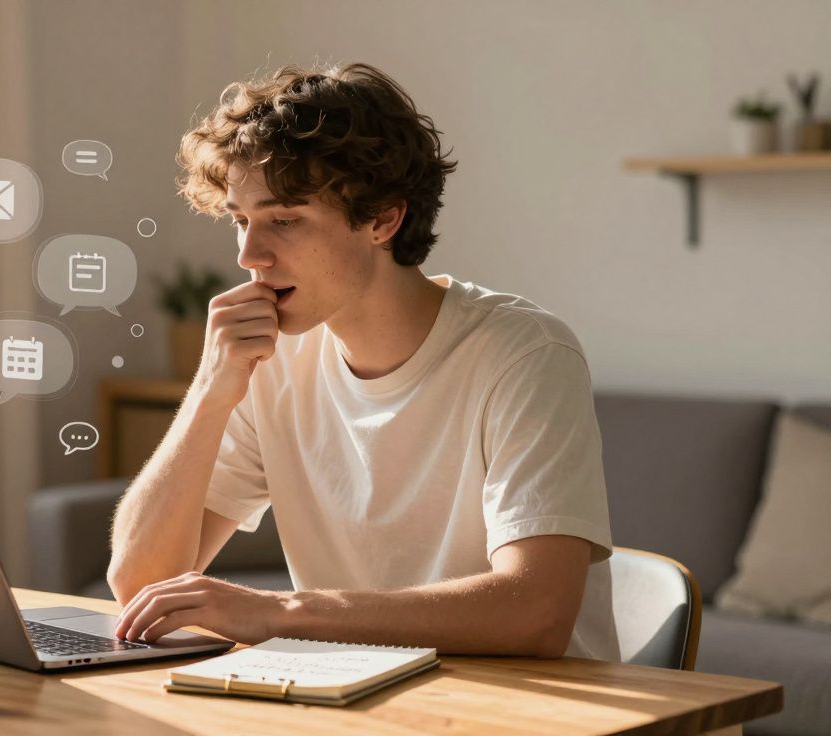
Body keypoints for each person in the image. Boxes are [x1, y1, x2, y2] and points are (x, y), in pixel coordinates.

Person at [106, 62, 618, 661]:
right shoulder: (270, 364)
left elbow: (536, 612)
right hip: (361, 699)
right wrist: (209, 392)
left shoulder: (525, 354)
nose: (249, 255)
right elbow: (140, 584)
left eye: (284, 220)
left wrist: (277, 612)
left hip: (534, 708)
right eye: (241, 221)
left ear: (382, 218)